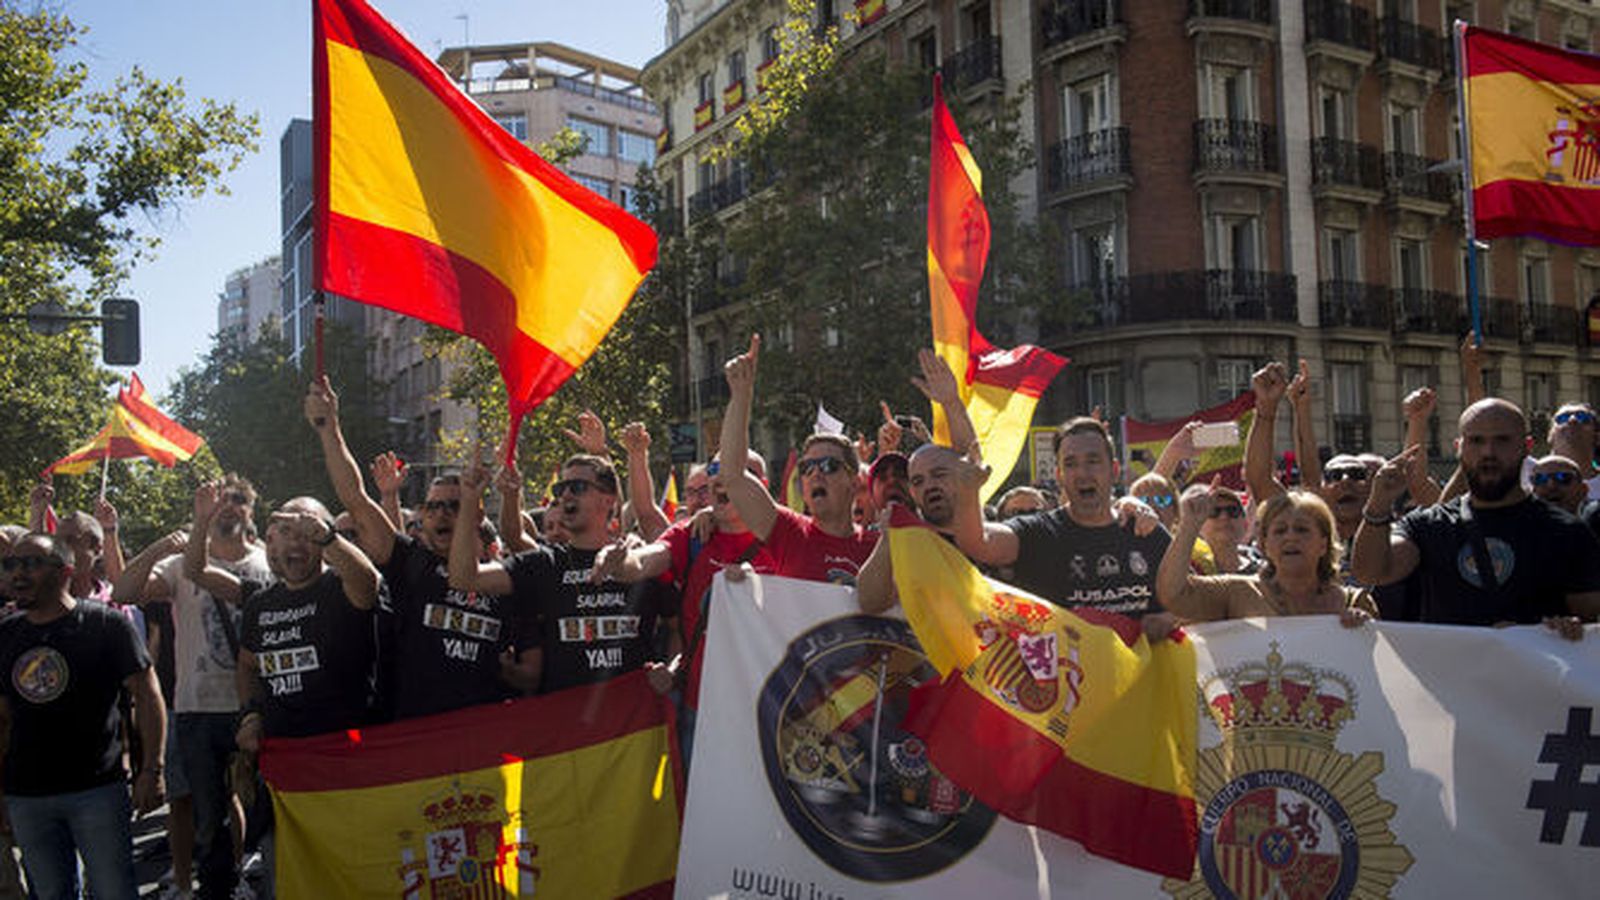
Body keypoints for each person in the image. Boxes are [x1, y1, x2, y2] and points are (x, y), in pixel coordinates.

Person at [305, 377, 535, 718]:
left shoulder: (506, 579)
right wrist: (329, 427)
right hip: (414, 738)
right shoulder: (409, 562)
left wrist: (505, 671)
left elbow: (533, 677)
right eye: (432, 507)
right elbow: (355, 498)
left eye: (454, 506)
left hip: (483, 742)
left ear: (476, 512)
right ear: (422, 517)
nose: (442, 514)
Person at [114, 475, 266, 900]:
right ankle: (218, 886)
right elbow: (125, 591)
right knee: (208, 814)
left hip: (255, 707)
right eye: (219, 500)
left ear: (251, 511)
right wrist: (163, 546)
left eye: (239, 499)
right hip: (198, 708)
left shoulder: (269, 562)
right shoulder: (180, 565)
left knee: (262, 808)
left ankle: (249, 878)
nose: (229, 506)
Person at [0, 533, 166, 900]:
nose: (17, 574)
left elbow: (147, 695)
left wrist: (152, 769)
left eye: (30, 564)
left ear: (65, 572)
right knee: (51, 893)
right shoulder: (6, 635)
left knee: (113, 891)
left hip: (97, 791)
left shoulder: (105, 625)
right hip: (26, 796)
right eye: (10, 565)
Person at [1351, 399, 1600, 635]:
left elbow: (1590, 624)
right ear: (1459, 448)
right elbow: (1371, 572)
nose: (1488, 452)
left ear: (1526, 447)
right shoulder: (1427, 526)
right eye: (1476, 441)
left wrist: (1563, 629)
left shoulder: (1567, 531)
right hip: (1451, 679)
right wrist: (1378, 504)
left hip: (1535, 679)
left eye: (1502, 440)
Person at [588, 450, 776, 763]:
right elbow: (646, 559)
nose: (724, 476)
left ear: (763, 485)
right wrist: (620, 563)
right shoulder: (692, 537)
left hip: (772, 713)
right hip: (701, 712)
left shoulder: (789, 537)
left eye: (739, 469)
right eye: (716, 469)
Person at [449, 452, 673, 694]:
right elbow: (464, 578)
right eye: (560, 488)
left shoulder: (640, 561)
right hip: (564, 723)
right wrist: (470, 500)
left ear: (608, 500)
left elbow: (680, 627)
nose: (565, 495)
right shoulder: (543, 564)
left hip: (635, 722)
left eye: (577, 487)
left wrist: (672, 670)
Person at [184, 487, 381, 742]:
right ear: (273, 541)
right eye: (287, 531)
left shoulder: (343, 587)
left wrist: (326, 536)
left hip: (349, 746)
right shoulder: (259, 602)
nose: (297, 541)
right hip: (283, 754)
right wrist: (251, 716)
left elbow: (368, 582)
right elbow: (247, 666)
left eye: (308, 532)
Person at [952, 415, 1172, 622]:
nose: (1083, 473)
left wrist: (1169, 620)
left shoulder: (1147, 530)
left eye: (1093, 461)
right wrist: (967, 489)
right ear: (1059, 476)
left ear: (1114, 470)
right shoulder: (1039, 534)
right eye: (1070, 464)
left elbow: (1191, 598)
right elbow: (978, 542)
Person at [718, 336, 877, 585]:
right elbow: (733, 476)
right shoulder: (789, 533)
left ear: (855, 483)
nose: (816, 474)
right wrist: (741, 395)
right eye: (807, 468)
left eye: (828, 466)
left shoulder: (880, 550)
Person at [1157, 487, 1372, 622]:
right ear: (1264, 544)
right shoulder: (1236, 592)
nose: (1290, 537)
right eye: (1279, 531)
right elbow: (1173, 595)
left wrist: (1362, 631)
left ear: (1324, 544)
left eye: (1302, 529)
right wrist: (1189, 526)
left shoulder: (1354, 601)